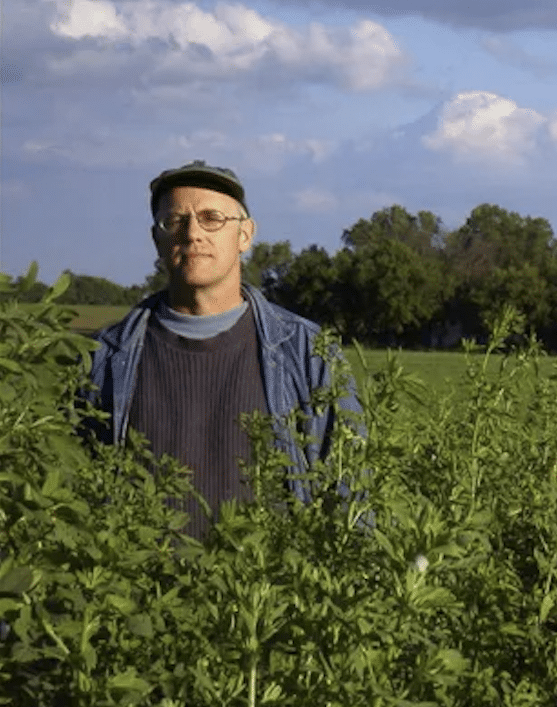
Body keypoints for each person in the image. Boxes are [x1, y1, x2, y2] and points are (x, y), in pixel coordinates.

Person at [79, 160, 364, 541]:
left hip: (266, 592)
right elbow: (77, 491)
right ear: (156, 238)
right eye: (174, 221)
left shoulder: (307, 352)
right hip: (141, 593)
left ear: (245, 235)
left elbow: (348, 490)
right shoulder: (103, 357)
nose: (192, 233)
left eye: (212, 218)